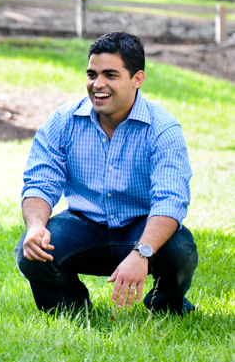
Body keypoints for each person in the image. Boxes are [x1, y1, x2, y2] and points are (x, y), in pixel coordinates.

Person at [15, 32, 198, 315]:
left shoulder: (162, 129)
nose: (97, 84)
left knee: (179, 249)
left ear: (137, 79)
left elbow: (170, 200)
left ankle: (166, 308)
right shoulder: (64, 121)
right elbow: (40, 182)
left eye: (110, 75)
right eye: (92, 74)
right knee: (33, 250)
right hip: (83, 225)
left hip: (141, 227)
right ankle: (69, 309)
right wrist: (36, 226)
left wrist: (142, 252)